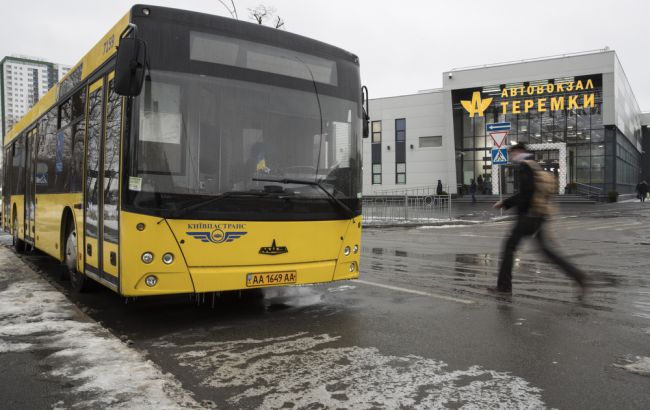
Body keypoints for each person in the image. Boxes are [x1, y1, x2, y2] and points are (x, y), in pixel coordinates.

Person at [490, 143, 588, 298]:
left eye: (511, 153)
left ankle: (504, 287)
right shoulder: (535, 165)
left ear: (519, 151)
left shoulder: (524, 166)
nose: (510, 156)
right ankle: (578, 276)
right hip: (538, 215)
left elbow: (526, 194)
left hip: (528, 217)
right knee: (546, 251)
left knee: (509, 247)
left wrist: (505, 203)